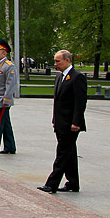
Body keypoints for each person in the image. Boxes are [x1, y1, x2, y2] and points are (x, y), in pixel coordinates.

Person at [38, 50, 87, 193]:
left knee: (62, 153)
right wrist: (55, 119)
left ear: (67, 60)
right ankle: (73, 183)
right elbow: (58, 102)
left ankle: (51, 184)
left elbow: (80, 102)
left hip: (71, 124)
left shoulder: (77, 77)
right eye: (55, 61)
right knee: (69, 153)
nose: (55, 64)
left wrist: (76, 122)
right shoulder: (60, 77)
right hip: (60, 122)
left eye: (58, 61)